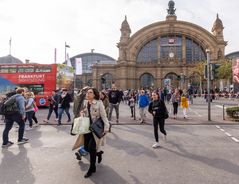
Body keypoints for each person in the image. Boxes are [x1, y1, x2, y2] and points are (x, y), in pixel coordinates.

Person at [81, 87, 110, 178]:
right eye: (87, 92)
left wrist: (106, 128)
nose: (87, 94)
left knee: (92, 148)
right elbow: (84, 113)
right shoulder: (85, 102)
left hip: (95, 129)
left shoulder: (99, 103)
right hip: (87, 128)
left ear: (94, 95)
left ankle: (92, 168)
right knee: (86, 147)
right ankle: (98, 153)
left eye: (90, 92)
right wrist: (82, 113)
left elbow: (104, 116)